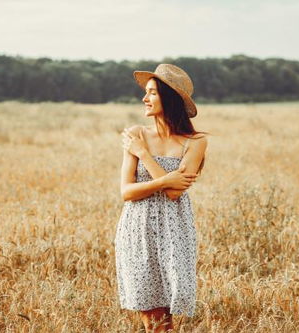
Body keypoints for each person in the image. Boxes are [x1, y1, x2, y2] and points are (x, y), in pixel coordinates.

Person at [115, 63, 208, 332]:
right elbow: (126, 192)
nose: (144, 99)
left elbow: (174, 193)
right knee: (154, 320)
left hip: (175, 230)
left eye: (152, 93)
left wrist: (145, 157)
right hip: (138, 229)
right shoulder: (136, 135)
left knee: (166, 317)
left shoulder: (196, 141)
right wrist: (167, 177)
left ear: (169, 98)